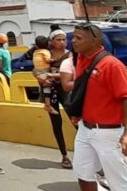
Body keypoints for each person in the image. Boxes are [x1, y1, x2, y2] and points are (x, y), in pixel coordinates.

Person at [70, 24, 127, 191]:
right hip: (85, 129)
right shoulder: (81, 60)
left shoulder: (112, 65)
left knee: (120, 182)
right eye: (74, 37)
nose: (73, 41)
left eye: (79, 38)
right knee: (83, 173)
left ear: (95, 41)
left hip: (109, 133)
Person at [45, 31, 73, 169]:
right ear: (52, 41)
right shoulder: (46, 55)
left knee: (76, 121)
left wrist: (51, 75)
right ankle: (64, 155)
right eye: (59, 39)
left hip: (66, 90)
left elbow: (71, 72)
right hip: (50, 92)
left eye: (64, 39)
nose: (62, 42)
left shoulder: (70, 55)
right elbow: (38, 70)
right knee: (56, 123)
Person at [32, 36, 55, 114]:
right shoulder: (45, 52)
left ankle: (45, 103)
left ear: (36, 45)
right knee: (47, 86)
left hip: (37, 71)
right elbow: (48, 60)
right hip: (43, 71)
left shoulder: (35, 52)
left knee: (43, 87)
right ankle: (48, 105)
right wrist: (55, 59)